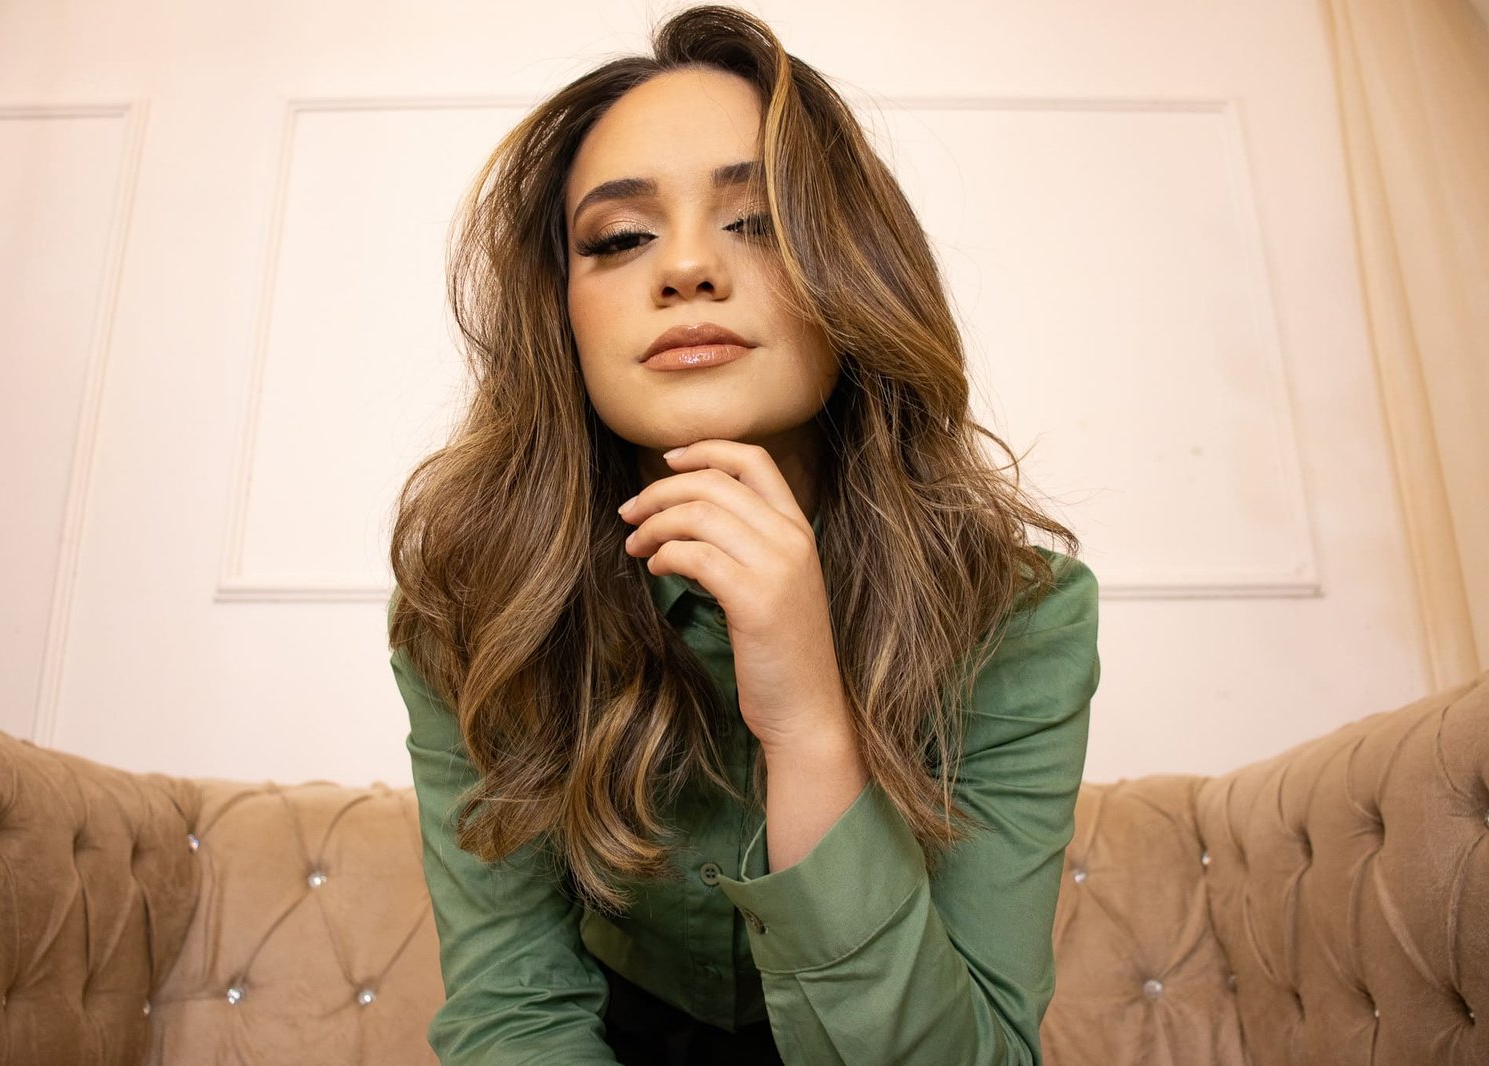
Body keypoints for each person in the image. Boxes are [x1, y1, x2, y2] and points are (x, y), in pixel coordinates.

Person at [386, 5, 1100, 1064]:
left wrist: (809, 727)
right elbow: (513, 1012)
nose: (685, 268)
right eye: (619, 238)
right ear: (561, 315)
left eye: (757, 221)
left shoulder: (1023, 616)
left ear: (854, 272)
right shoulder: (472, 604)